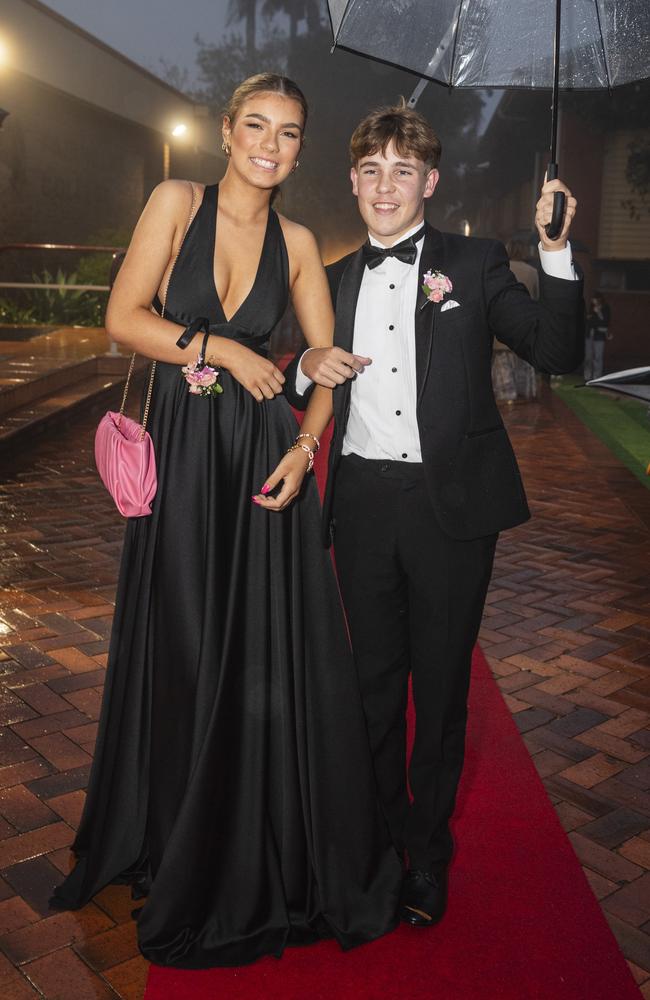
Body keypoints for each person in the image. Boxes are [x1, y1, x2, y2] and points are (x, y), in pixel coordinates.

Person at [51, 74, 402, 968]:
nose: (270, 145)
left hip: (259, 462)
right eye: (256, 126)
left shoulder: (298, 239)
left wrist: (306, 450)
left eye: (288, 133)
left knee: (252, 655)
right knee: (184, 640)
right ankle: (175, 833)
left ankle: (250, 843)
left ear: (299, 148)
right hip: (182, 452)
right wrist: (222, 345)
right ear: (226, 131)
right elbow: (123, 318)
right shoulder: (177, 201)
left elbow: (321, 368)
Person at [284, 102, 583, 930]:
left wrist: (554, 252)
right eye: (372, 170)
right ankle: (377, 837)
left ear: (430, 181)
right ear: (352, 180)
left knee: (441, 689)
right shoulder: (331, 278)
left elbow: (556, 353)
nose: (386, 187)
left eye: (403, 171)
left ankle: (428, 854)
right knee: (373, 684)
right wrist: (307, 359)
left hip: (453, 511)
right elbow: (288, 372)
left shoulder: (476, 262)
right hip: (364, 505)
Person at [492, 238, 540, 401]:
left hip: (501, 326)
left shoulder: (500, 269)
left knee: (503, 366)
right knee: (523, 363)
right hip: (525, 327)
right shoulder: (532, 272)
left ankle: (506, 395)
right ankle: (526, 393)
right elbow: (536, 299)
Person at [584, 293, 611, 380]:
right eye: (592, 299)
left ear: (600, 299)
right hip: (589, 335)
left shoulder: (606, 308)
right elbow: (589, 320)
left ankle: (597, 377)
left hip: (599, 336)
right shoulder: (591, 308)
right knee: (588, 357)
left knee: (598, 357)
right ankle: (587, 376)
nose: (593, 301)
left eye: (595, 299)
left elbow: (605, 322)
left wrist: (598, 312)